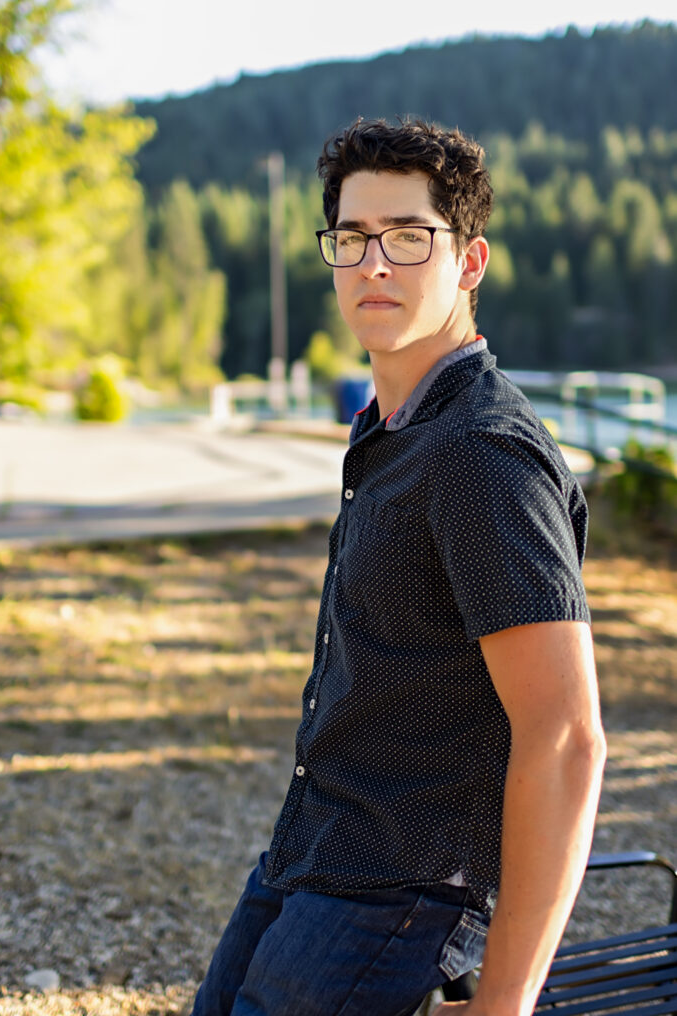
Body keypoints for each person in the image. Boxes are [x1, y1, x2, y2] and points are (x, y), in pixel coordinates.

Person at [190, 117, 607, 1016]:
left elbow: (566, 739)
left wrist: (503, 1003)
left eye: (409, 237)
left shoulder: (478, 453)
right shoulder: (391, 427)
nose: (374, 264)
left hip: (401, 890)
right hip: (312, 849)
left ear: (468, 261)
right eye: (351, 237)